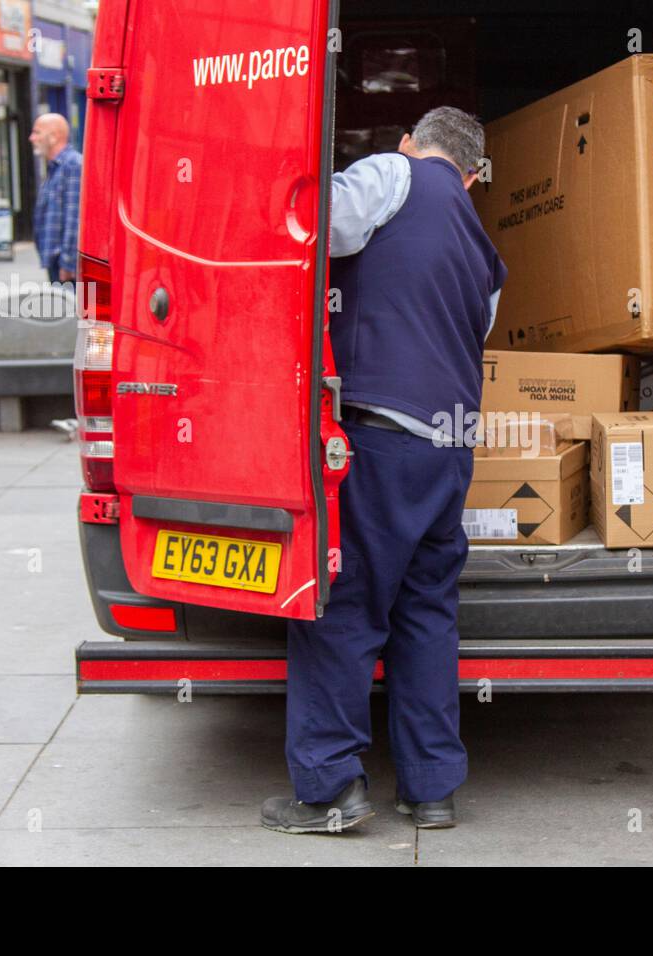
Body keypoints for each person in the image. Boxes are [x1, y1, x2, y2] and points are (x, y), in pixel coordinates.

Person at [260, 107, 506, 834]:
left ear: (410, 143)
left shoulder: (394, 173)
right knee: (427, 614)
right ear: (471, 176)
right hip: (448, 451)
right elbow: (470, 330)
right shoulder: (487, 252)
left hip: (379, 441)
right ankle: (431, 788)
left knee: (344, 608)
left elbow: (316, 226)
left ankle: (330, 789)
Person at [29, 113, 81, 285]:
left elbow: (74, 217)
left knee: (70, 310)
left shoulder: (72, 165)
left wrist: (68, 262)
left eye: (37, 132)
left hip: (65, 265)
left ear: (54, 136)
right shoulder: (55, 168)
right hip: (55, 261)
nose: (32, 138)